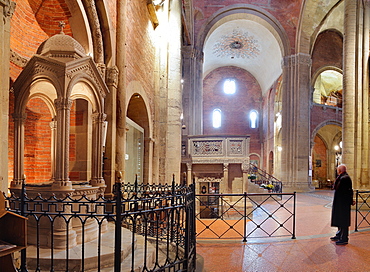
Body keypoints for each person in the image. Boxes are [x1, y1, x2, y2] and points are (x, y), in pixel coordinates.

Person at [330, 164, 355, 245]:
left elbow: (346, 190)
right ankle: (339, 234)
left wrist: (350, 201)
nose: (337, 171)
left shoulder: (344, 178)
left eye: (338, 169)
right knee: (339, 219)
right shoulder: (342, 177)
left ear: (340, 170)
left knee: (343, 220)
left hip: (343, 203)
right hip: (340, 203)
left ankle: (344, 238)